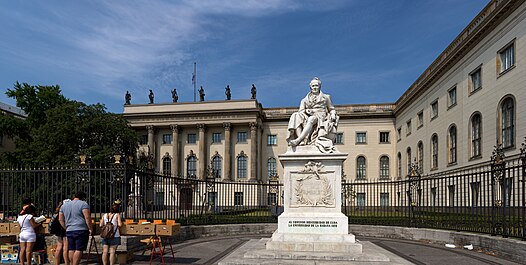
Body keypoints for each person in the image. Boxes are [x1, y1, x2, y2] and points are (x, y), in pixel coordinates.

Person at [287, 77, 339, 152]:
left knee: (311, 119)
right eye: (313, 86)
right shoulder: (304, 100)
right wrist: (307, 111)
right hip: (308, 115)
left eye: (316, 85)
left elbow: (331, 109)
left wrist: (333, 114)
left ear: (319, 86)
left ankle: (298, 140)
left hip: (320, 116)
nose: (315, 87)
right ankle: (302, 141)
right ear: (310, 87)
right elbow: (301, 111)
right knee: (295, 115)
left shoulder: (326, 97)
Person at [59, 191, 92, 265]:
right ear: (83, 198)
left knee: (71, 249)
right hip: (81, 229)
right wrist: (90, 228)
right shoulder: (83, 204)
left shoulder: (64, 206)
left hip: (69, 229)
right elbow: (87, 217)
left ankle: (72, 263)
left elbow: (60, 219)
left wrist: (65, 227)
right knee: (79, 249)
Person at [51, 201, 69, 265]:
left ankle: (57, 263)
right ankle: (67, 263)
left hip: (58, 231)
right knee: (65, 248)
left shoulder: (57, 212)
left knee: (59, 248)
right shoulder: (65, 212)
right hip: (64, 229)